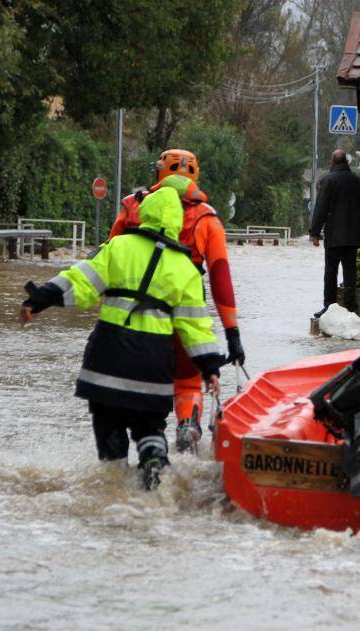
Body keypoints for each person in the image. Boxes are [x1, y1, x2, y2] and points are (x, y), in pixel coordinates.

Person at [19, 187, 225, 489]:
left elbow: (80, 282)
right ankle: (153, 464)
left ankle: (113, 490)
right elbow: (195, 327)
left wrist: (38, 300)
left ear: (145, 214)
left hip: (106, 363)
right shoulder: (187, 270)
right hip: (153, 370)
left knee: (111, 447)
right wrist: (210, 368)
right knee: (150, 428)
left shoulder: (118, 247)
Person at [109, 149, 243, 451]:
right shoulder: (208, 218)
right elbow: (221, 279)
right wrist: (232, 334)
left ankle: (129, 439)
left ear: (159, 173)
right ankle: (187, 424)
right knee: (187, 380)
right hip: (186, 314)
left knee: (127, 380)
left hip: (134, 317)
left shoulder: (133, 207)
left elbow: (108, 257)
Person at [309, 149, 360, 318]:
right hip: (353, 237)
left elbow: (321, 208)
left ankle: (329, 307)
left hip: (334, 237)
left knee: (331, 272)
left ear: (332, 162)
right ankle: (351, 307)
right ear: (348, 162)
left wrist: (315, 233)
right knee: (350, 272)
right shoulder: (359, 183)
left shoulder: (328, 181)